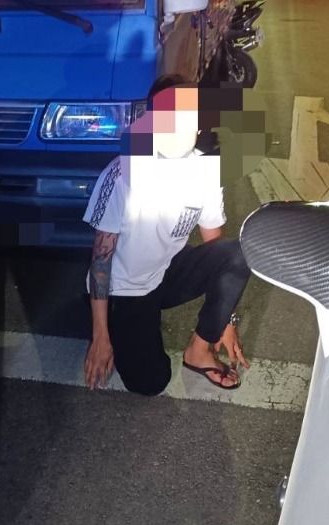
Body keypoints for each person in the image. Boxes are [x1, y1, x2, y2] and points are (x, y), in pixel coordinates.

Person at [83, 75, 252, 395]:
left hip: (166, 271)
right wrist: (100, 335)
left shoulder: (206, 171)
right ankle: (108, 324)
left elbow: (218, 247)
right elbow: (101, 261)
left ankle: (198, 351)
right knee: (151, 383)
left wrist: (224, 320)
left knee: (239, 253)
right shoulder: (124, 173)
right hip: (127, 289)